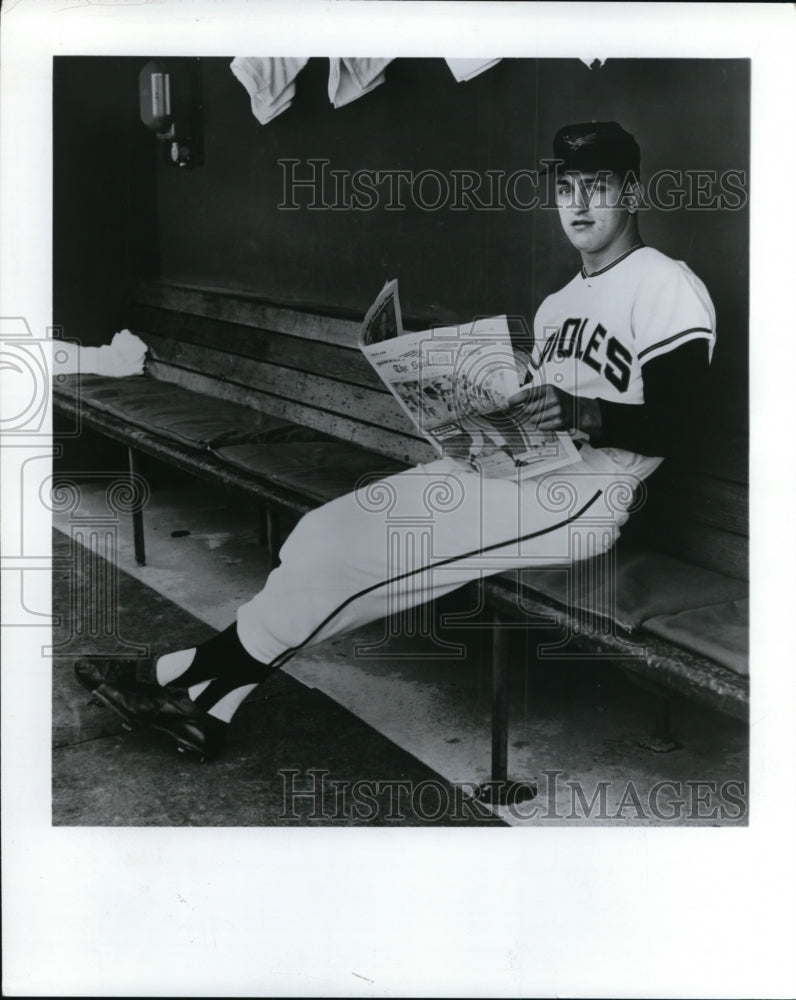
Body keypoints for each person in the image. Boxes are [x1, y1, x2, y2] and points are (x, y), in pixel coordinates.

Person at [76, 121, 716, 760]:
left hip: (590, 491)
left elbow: (682, 424)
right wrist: (471, 421)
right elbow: (542, 417)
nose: (576, 202)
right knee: (322, 534)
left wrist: (582, 410)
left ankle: (183, 679)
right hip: (522, 471)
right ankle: (209, 703)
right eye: (565, 186)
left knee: (354, 556)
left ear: (630, 189)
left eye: (595, 185)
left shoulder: (667, 284)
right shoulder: (558, 304)